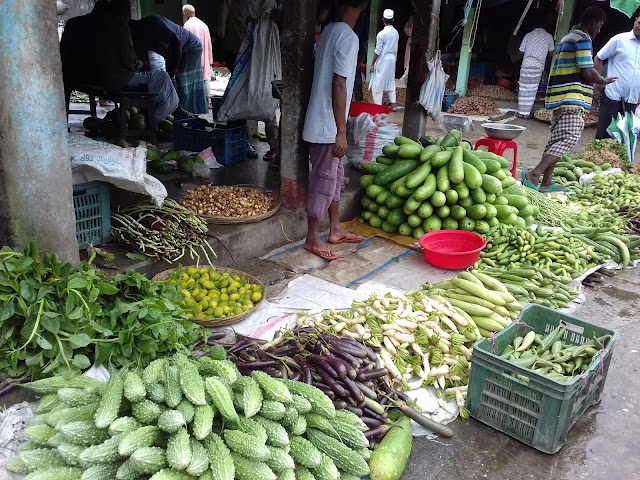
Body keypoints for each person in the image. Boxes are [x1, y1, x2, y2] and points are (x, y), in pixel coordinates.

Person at [522, 6, 616, 193]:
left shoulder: (567, 37)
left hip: (560, 97)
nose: (599, 30)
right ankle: (536, 173)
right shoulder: (582, 39)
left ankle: (547, 181)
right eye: (599, 25)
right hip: (572, 97)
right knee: (569, 137)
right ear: (593, 21)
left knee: (556, 139)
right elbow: (587, 70)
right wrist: (602, 80)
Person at [302, 0, 368, 261]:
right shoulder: (347, 36)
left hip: (325, 124)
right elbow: (339, 83)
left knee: (336, 178)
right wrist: (341, 131)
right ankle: (311, 237)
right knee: (324, 181)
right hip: (326, 128)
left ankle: (335, 228)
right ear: (361, 5)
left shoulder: (329, 30)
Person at [86, 0, 185, 124]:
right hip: (118, 80)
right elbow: (130, 61)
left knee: (156, 77)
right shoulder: (121, 27)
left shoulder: (101, 27)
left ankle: (150, 115)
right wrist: (142, 64)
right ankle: (153, 119)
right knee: (163, 77)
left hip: (102, 77)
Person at [130, 15, 208, 115]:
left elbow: (176, 42)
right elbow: (146, 63)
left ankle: (182, 115)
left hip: (190, 46)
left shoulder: (150, 23)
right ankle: (180, 113)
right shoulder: (137, 39)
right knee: (174, 82)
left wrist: (172, 71)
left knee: (181, 82)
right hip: (174, 53)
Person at [594, 15, 640, 139]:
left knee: (623, 140)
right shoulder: (619, 40)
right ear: (635, 20)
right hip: (612, 97)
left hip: (632, 100)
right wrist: (599, 81)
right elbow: (598, 58)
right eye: (639, 23)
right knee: (604, 136)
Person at [517, 19, 555, 118]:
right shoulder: (549, 36)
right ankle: (527, 113)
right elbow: (551, 53)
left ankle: (521, 112)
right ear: (544, 27)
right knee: (532, 89)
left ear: (534, 27)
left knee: (523, 88)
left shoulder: (528, 35)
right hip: (538, 66)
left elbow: (521, 51)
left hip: (526, 64)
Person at [182, 4, 214, 103]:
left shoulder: (187, 25)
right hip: (205, 56)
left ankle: (195, 101)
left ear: (185, 13)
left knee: (193, 79)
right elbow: (209, 44)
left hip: (193, 57)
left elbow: (185, 44)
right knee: (205, 78)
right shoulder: (204, 25)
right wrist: (210, 59)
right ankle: (208, 101)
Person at [369, 9, 399, 109]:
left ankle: (378, 105)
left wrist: (373, 63)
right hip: (392, 58)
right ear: (393, 19)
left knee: (378, 83)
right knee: (391, 80)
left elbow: (378, 51)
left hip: (384, 58)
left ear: (383, 20)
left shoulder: (381, 34)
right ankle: (393, 103)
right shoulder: (396, 33)